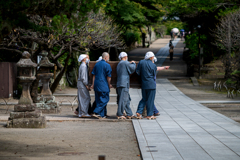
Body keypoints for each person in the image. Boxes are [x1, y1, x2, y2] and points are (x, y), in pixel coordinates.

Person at [135, 51, 157, 120]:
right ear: (151, 57)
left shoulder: (141, 62)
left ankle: (139, 111)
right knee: (150, 100)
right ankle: (149, 114)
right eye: (153, 57)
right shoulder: (153, 65)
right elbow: (154, 75)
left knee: (144, 98)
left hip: (144, 84)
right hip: (151, 84)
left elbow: (137, 71)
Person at [91, 52, 112, 119]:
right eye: (108, 57)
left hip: (97, 84)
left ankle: (102, 114)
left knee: (98, 99)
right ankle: (96, 112)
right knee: (105, 99)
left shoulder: (97, 64)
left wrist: (93, 84)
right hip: (103, 84)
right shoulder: (107, 65)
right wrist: (109, 84)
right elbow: (109, 77)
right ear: (106, 57)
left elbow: (93, 75)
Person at [116, 52, 136, 119]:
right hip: (124, 83)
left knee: (126, 99)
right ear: (125, 57)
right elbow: (132, 68)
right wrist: (133, 63)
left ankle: (129, 113)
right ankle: (119, 113)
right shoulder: (125, 62)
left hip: (119, 83)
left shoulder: (119, 64)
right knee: (123, 99)